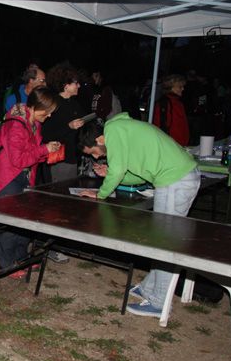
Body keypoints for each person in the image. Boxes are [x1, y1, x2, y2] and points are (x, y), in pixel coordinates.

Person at [78, 114, 200, 318]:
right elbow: (134, 175)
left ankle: (159, 303)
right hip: (173, 179)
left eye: (94, 152)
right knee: (159, 240)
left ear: (99, 139)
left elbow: (118, 170)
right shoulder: (121, 131)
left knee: (164, 243)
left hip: (175, 179)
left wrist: (101, 194)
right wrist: (110, 174)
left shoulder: (113, 130)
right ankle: (149, 288)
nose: (97, 157)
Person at [0, 88, 62, 277]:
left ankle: (21, 258)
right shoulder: (16, 125)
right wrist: (44, 150)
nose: (49, 115)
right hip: (7, 178)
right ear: (35, 107)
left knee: (25, 221)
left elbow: (30, 153)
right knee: (11, 224)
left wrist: (47, 153)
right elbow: (18, 160)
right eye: (47, 111)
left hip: (24, 177)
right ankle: (7, 264)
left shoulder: (35, 123)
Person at [42, 62, 86, 183]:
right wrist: (69, 127)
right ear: (66, 86)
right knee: (60, 191)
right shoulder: (53, 104)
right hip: (59, 159)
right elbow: (46, 134)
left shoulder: (75, 104)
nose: (79, 86)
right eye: (76, 83)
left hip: (73, 157)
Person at [152, 74, 189, 146]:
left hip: (179, 143)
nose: (183, 89)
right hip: (171, 143)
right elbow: (161, 125)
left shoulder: (178, 102)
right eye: (180, 87)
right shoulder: (165, 102)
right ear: (171, 87)